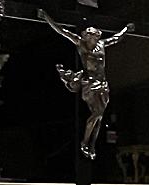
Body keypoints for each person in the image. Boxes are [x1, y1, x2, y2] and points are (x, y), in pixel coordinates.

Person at [38, 8, 132, 159]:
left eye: (92, 34)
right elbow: (62, 31)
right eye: (87, 34)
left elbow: (116, 38)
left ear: (96, 36)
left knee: (100, 116)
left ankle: (92, 144)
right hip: (90, 84)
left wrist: (126, 29)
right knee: (97, 114)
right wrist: (46, 18)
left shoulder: (101, 44)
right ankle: (85, 142)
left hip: (103, 84)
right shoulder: (80, 44)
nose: (89, 36)